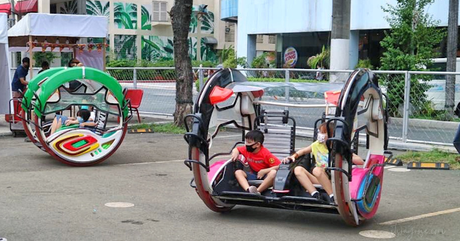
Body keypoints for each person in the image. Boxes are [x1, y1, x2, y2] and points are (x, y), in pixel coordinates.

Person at [282, 122, 364, 204]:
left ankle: (332, 195)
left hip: (334, 179)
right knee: (298, 169)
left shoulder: (338, 147)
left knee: (316, 170)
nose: (320, 135)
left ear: (331, 135)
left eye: (323, 133)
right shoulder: (316, 145)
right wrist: (294, 156)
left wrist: (345, 155)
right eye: (319, 132)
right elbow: (303, 151)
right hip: (319, 178)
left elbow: (360, 161)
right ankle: (315, 194)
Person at [230, 130, 281, 194]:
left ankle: (257, 191)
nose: (246, 144)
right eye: (246, 142)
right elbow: (237, 149)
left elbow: (280, 166)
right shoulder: (246, 149)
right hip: (254, 175)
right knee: (238, 172)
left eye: (249, 142)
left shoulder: (266, 154)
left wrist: (264, 171)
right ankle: (248, 190)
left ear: (257, 144)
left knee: (273, 172)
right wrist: (235, 153)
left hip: (265, 176)